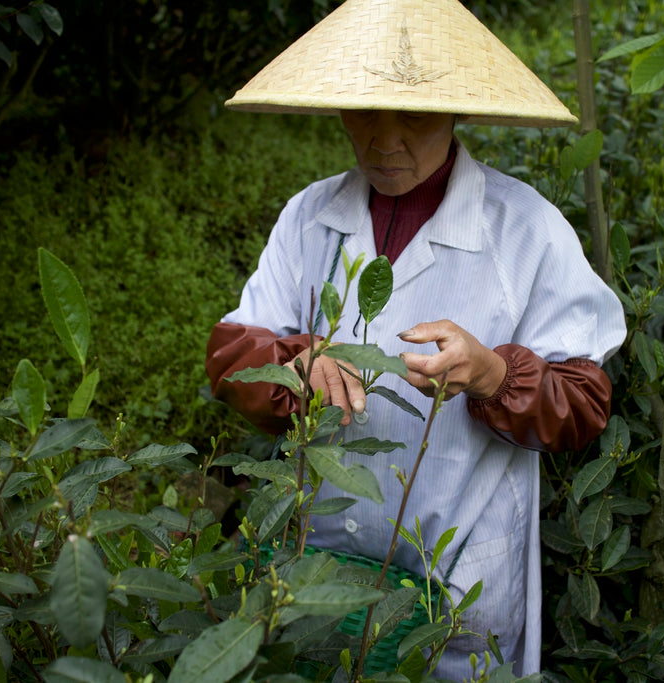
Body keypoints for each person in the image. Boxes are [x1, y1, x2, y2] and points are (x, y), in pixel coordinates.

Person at [205, 0, 627, 677]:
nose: (385, 139)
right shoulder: (311, 216)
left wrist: (495, 375)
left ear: (458, 109)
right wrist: (295, 365)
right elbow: (232, 350)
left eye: (415, 114)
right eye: (365, 110)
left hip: (458, 587)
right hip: (320, 574)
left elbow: (582, 403)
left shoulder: (526, 230)